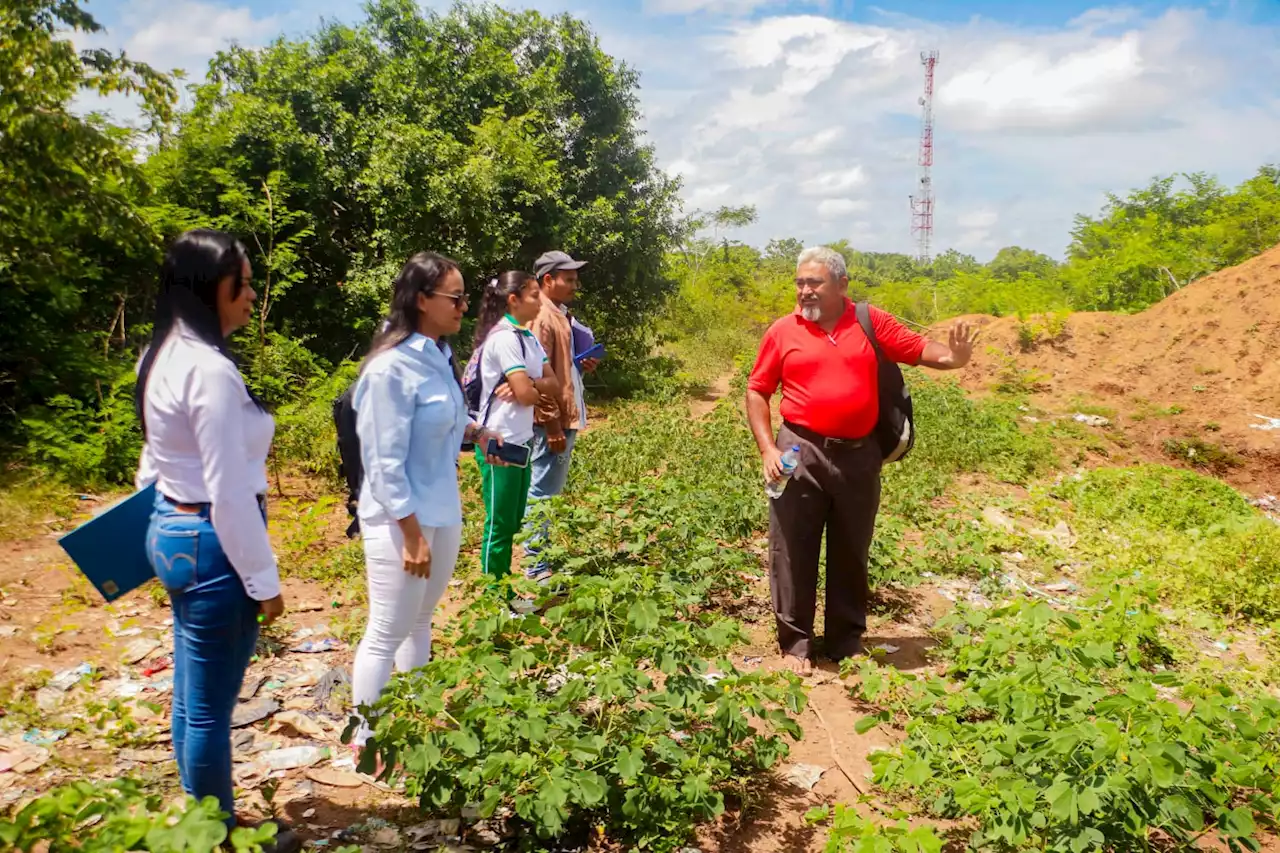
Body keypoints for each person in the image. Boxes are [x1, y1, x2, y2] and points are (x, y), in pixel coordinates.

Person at [134, 229, 299, 852]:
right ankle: (219, 832)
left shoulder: (161, 355)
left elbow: (154, 462)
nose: (253, 295)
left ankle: (199, 815)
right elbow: (230, 494)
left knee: (190, 691)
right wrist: (265, 582)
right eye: (245, 283)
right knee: (208, 705)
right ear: (212, 290)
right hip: (212, 541)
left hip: (173, 528)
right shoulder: (210, 372)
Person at [745, 246, 978, 675]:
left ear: (841, 285)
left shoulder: (870, 321)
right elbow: (757, 389)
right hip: (800, 451)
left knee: (852, 547)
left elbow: (921, 349)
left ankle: (845, 639)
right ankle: (795, 644)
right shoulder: (783, 330)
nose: (804, 292)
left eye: (814, 283)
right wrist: (767, 448)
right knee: (791, 548)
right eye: (799, 283)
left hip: (859, 454)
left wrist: (954, 358)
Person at [348, 252, 504, 756]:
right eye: (454, 298)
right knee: (385, 631)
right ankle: (366, 742)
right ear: (421, 300)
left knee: (420, 620)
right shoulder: (389, 368)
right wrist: (410, 533)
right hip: (401, 517)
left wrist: (478, 433)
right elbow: (382, 459)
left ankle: (414, 719)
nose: (464, 307)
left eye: (463, 297)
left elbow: (446, 419)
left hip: (441, 508)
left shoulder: (438, 356)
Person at [469, 271, 560, 584]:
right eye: (534, 295)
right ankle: (495, 599)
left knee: (513, 521)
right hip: (498, 443)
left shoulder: (528, 337)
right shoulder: (505, 338)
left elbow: (555, 384)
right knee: (500, 525)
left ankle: (505, 591)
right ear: (513, 299)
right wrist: (533, 389)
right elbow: (525, 395)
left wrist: (530, 384)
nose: (540, 301)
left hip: (520, 440)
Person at [522, 250, 599, 580]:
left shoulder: (559, 315)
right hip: (551, 421)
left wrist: (579, 366)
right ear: (548, 280)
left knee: (547, 492)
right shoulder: (542, 317)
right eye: (568, 279)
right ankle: (537, 567)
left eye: (575, 279)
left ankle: (542, 560)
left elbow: (556, 368)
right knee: (541, 493)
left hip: (564, 415)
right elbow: (535, 378)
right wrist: (551, 424)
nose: (574, 285)